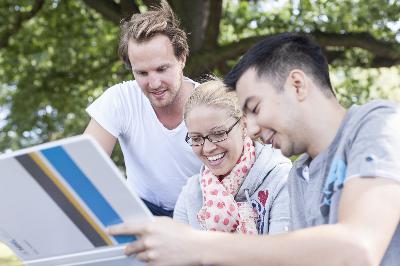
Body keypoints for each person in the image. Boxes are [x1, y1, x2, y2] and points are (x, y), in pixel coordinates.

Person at [108, 33, 400, 266]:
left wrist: (197, 245)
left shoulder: (376, 123)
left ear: (297, 85)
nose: (254, 128)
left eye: (255, 108)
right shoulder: (301, 176)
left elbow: (359, 249)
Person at [84, 0, 202, 217]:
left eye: (162, 69)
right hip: (143, 209)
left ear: (182, 59)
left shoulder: (211, 103)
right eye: (142, 73)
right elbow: (85, 166)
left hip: (202, 211)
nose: (154, 83)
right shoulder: (120, 99)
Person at [174, 79, 292, 235]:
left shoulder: (281, 179)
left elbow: (282, 254)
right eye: (196, 138)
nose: (208, 148)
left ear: (243, 125)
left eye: (219, 134)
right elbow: (177, 255)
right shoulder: (192, 191)